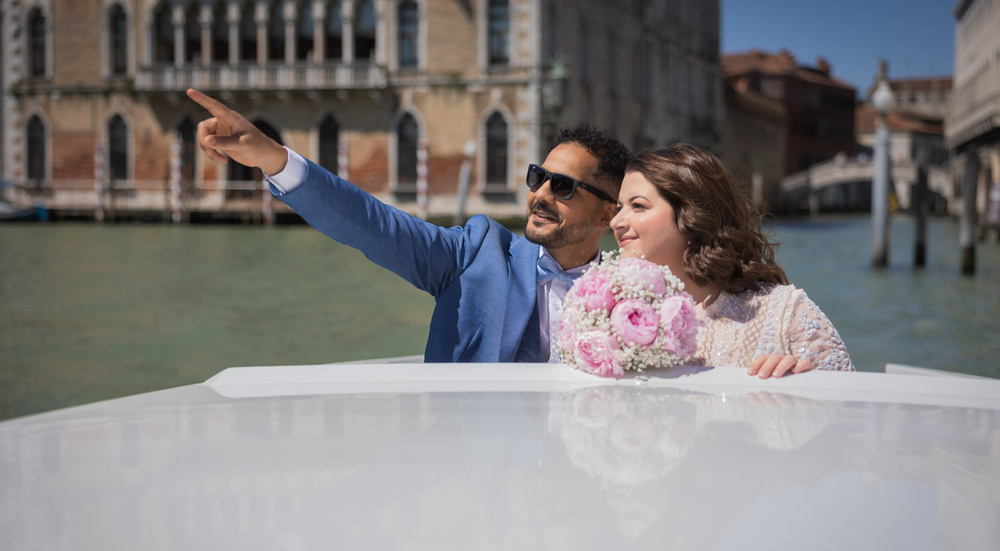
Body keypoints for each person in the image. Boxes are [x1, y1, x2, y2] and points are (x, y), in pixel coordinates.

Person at [186, 88, 631, 363]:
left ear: (607, 215)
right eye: (538, 177)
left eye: (563, 187)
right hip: (477, 470)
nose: (541, 194)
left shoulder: (634, 293)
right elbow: (371, 224)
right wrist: (271, 159)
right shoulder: (475, 256)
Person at [609, 144, 854, 378]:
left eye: (638, 206)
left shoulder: (786, 315)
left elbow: (845, 401)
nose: (615, 222)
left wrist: (800, 384)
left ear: (692, 216)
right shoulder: (615, 315)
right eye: (619, 208)